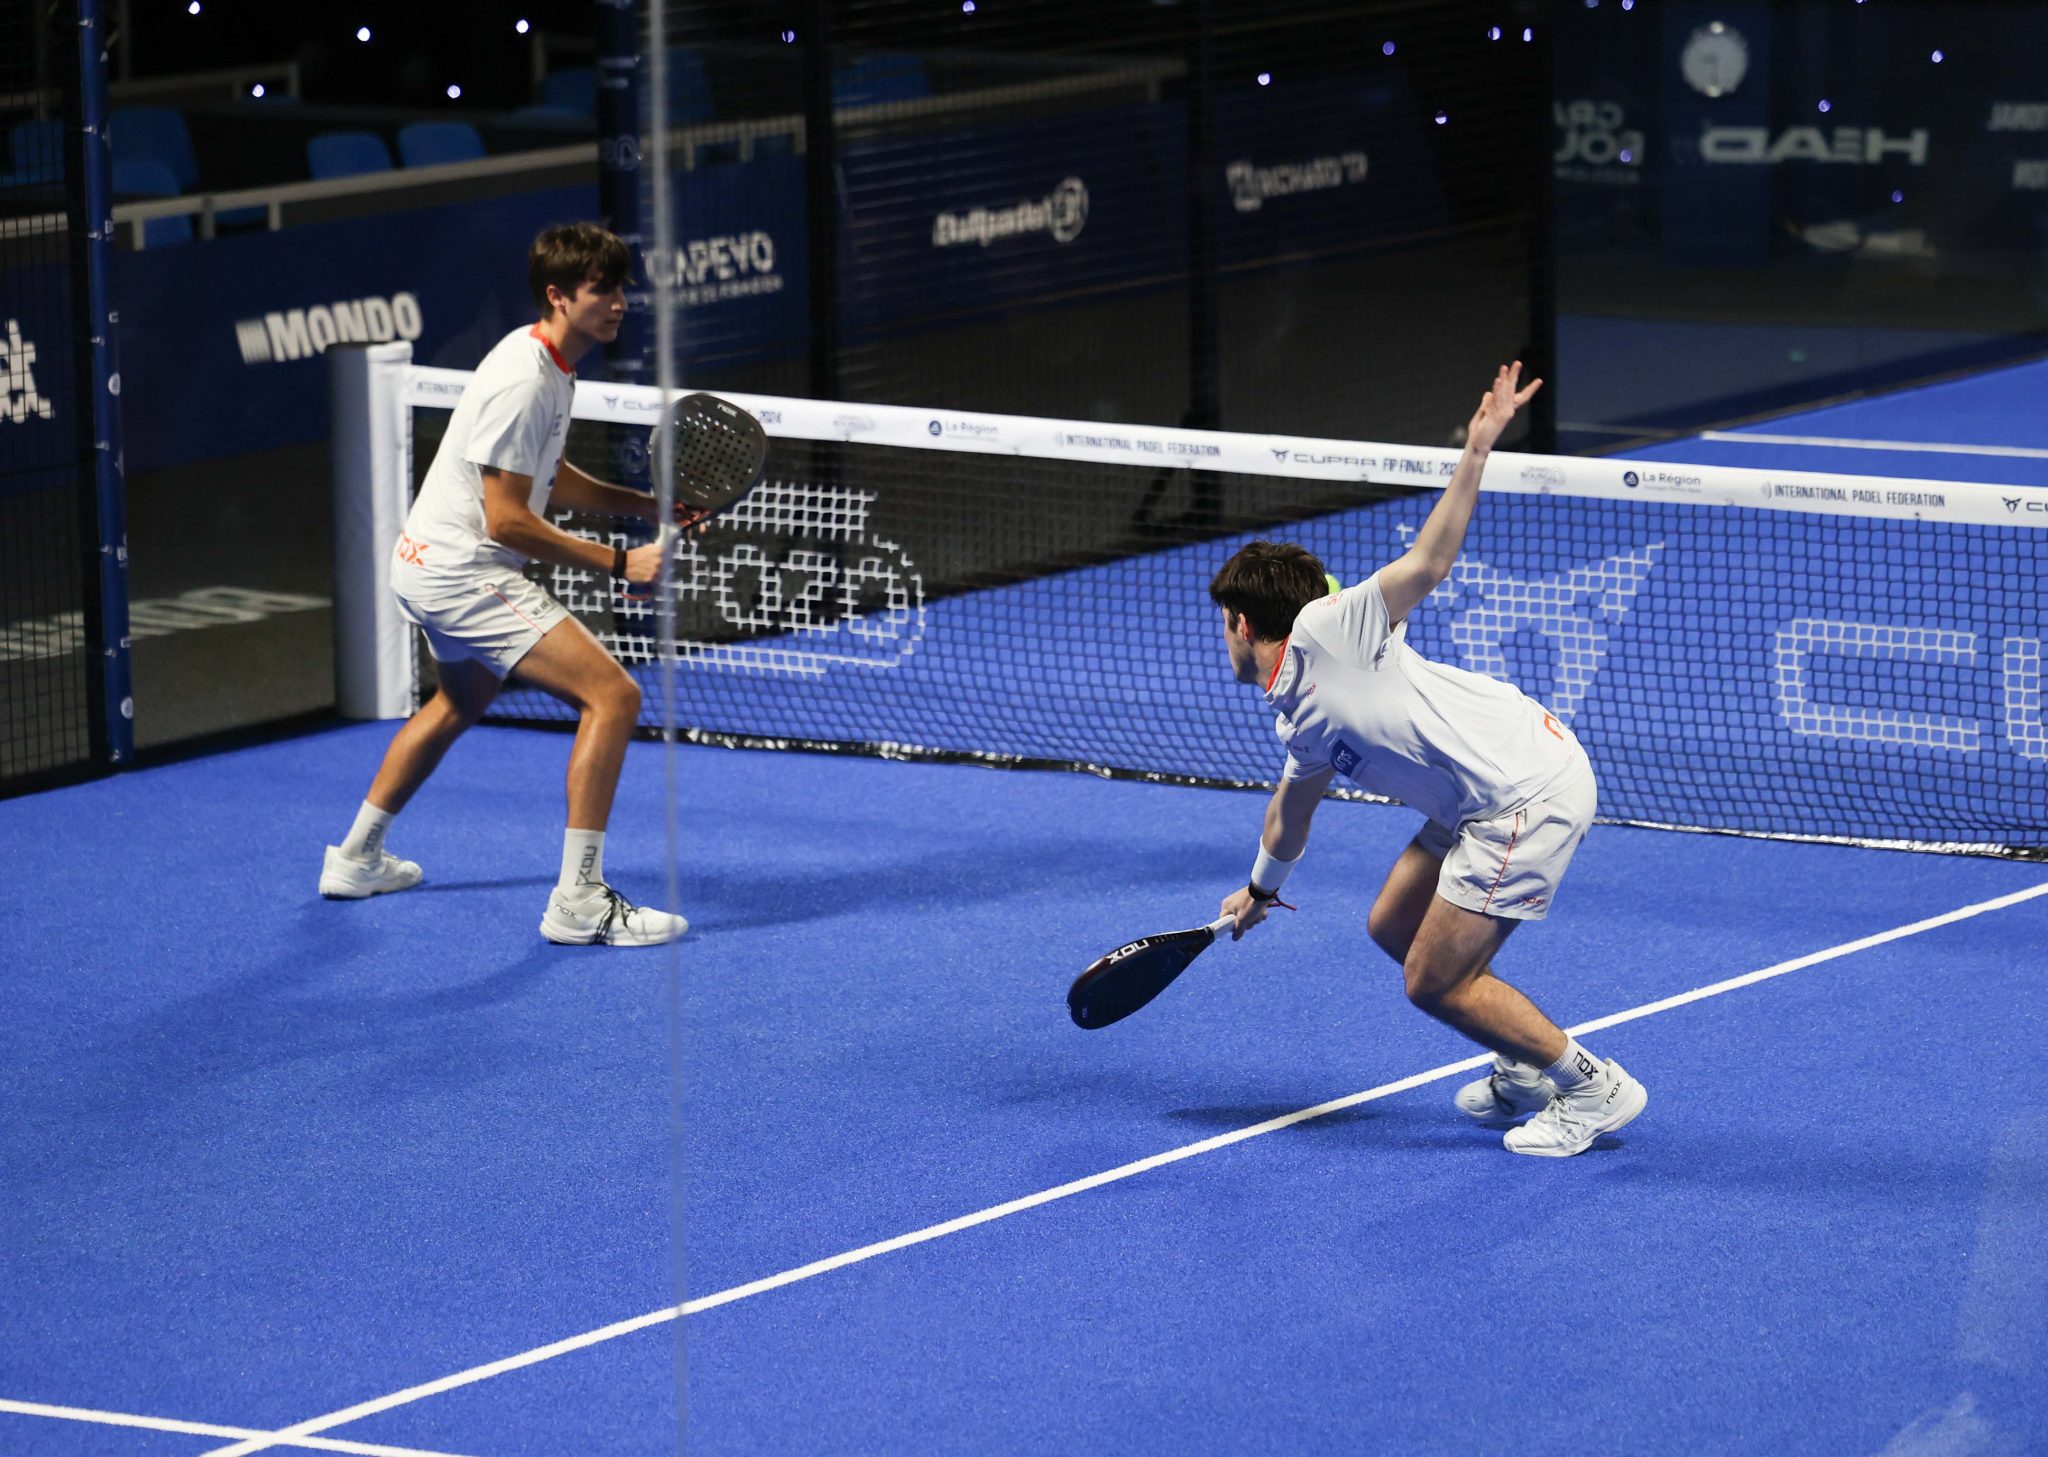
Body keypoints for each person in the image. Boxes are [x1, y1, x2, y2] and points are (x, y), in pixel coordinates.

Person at [1211, 361, 1646, 1156]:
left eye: (1223, 624)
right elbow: (1291, 810)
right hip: (1477, 798)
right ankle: (1523, 1065)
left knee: (1431, 979)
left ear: (1242, 622)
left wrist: (1477, 447)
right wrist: (1259, 890)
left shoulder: (1328, 628)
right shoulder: (1297, 710)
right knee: (1394, 925)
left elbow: (1428, 563)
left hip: (1523, 793)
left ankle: (1593, 1086)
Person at [318, 222, 687, 947]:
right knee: (614, 696)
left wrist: (645, 505)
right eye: (601, 289)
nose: (619, 302)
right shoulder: (525, 382)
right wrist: (619, 562)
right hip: (464, 574)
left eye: (622, 287)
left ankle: (356, 857)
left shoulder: (547, 362)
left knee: (461, 700)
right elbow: (508, 521)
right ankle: (579, 901)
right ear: (558, 295)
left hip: (422, 565)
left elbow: (548, 475)